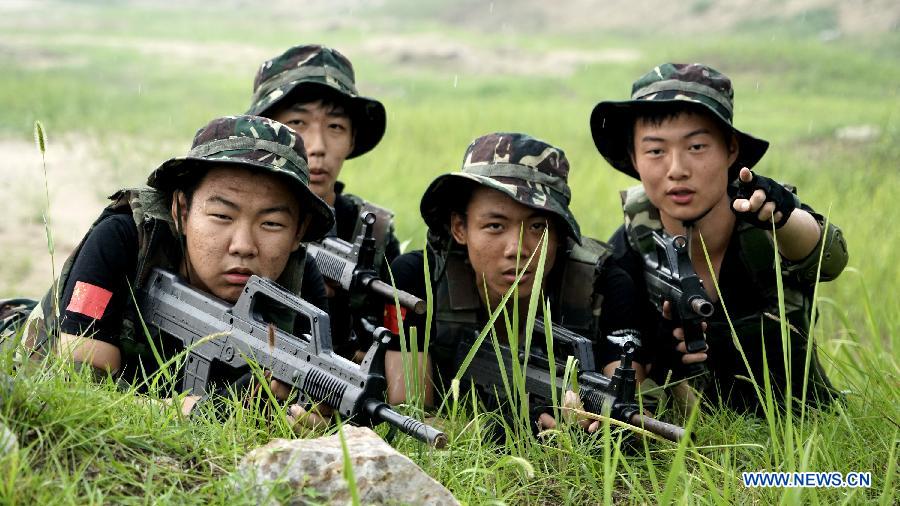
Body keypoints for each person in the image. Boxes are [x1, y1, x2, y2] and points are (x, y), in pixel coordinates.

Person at [20, 115, 335, 416]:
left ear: (299, 231)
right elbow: (81, 391)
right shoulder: (124, 239)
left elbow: (319, 396)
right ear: (181, 210)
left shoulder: (300, 282)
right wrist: (207, 411)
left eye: (271, 223)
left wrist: (307, 418)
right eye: (222, 216)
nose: (243, 245)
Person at [589, 63, 849, 413]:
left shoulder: (766, 219)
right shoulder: (634, 241)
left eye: (696, 147)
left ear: (730, 149)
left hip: (804, 423)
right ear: (634, 158)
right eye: (655, 151)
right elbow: (618, 354)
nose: (676, 168)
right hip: (690, 436)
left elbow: (827, 258)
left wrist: (782, 219)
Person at [385, 132, 646, 432]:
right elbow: (407, 414)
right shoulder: (418, 280)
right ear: (460, 228)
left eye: (537, 227)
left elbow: (628, 410)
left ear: (560, 235)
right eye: (495, 226)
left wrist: (600, 426)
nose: (517, 249)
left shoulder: (603, 286)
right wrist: (512, 430)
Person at [247, 44, 400, 360]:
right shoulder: (231, 223)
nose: (316, 147)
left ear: (352, 139)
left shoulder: (373, 233)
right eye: (297, 124)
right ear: (266, 131)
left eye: (335, 127)